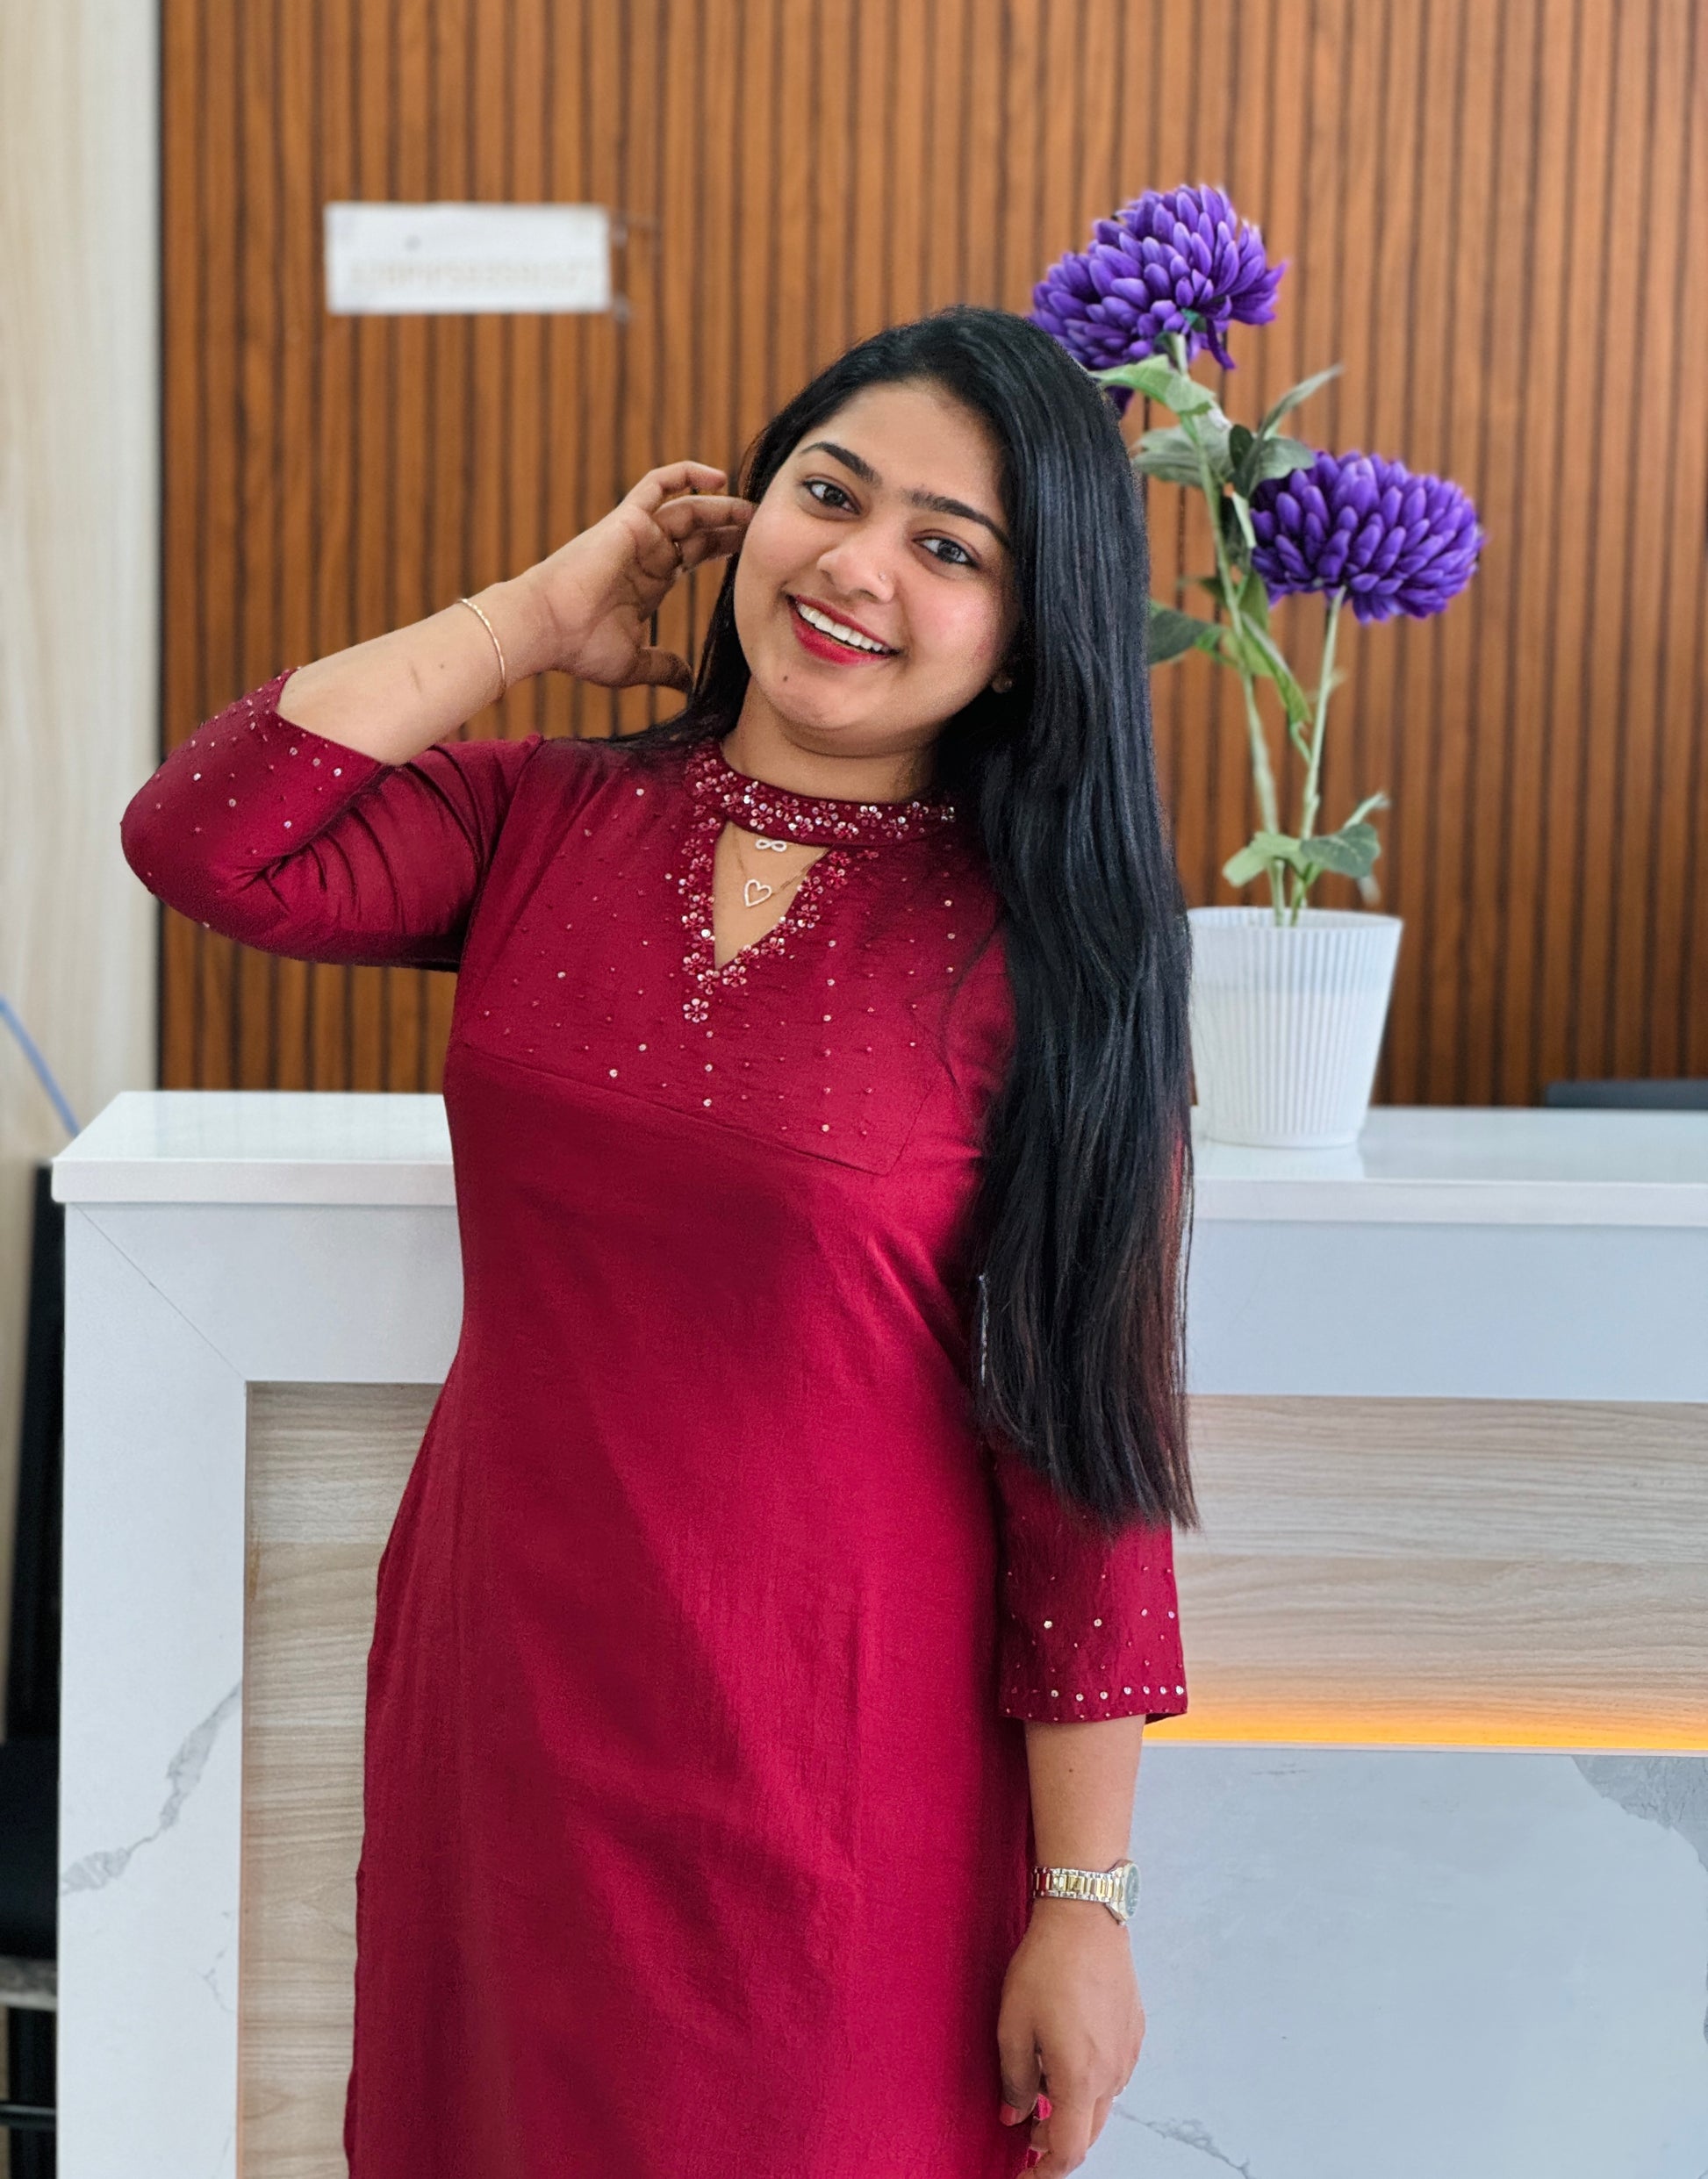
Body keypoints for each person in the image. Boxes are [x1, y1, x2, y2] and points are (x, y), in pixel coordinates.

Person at [122, 305, 1197, 2179]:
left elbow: (1082, 1465)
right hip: (507, 1707)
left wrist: (1084, 1896)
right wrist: (539, 613)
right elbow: (206, 837)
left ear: (1030, 634)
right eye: (826, 495)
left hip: (831, 1758)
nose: (857, 565)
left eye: (948, 548)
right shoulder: (545, 817)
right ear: (742, 513)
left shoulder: (1051, 960)